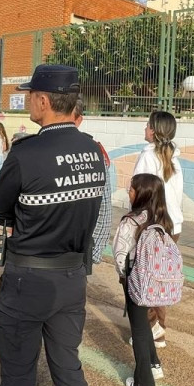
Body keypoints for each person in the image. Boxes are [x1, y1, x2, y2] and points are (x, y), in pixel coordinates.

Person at [0, 64, 105, 386]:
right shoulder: (93, 151)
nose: (29, 103)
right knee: (68, 367)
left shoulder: (26, 153)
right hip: (72, 278)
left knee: (19, 375)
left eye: (30, 97)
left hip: (28, 280)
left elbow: (2, 210)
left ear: (43, 100)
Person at [112, 173, 172, 386]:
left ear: (142, 194)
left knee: (138, 329)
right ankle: (154, 363)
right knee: (144, 323)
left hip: (135, 282)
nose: (129, 191)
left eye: (132, 189)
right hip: (156, 281)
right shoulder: (162, 218)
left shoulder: (131, 221)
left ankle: (144, 384)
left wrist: (123, 277)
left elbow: (120, 255)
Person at [132, 110, 183, 348]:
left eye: (147, 125)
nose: (144, 128)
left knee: (144, 278)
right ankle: (157, 330)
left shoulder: (147, 156)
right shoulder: (174, 158)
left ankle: (152, 331)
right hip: (172, 225)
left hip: (152, 224)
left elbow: (138, 192)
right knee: (160, 278)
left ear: (153, 130)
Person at [72, 100, 113, 264]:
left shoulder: (95, 152)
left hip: (77, 248)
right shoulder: (37, 150)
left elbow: (104, 206)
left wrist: (94, 251)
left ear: (78, 120)